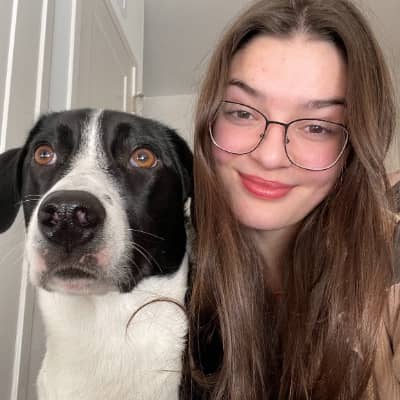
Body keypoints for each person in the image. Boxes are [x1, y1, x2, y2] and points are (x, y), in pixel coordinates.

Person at [183, 0, 400, 399]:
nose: (269, 156)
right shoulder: (161, 256)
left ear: (355, 145)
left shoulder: (391, 248)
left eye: (317, 127)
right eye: (242, 113)